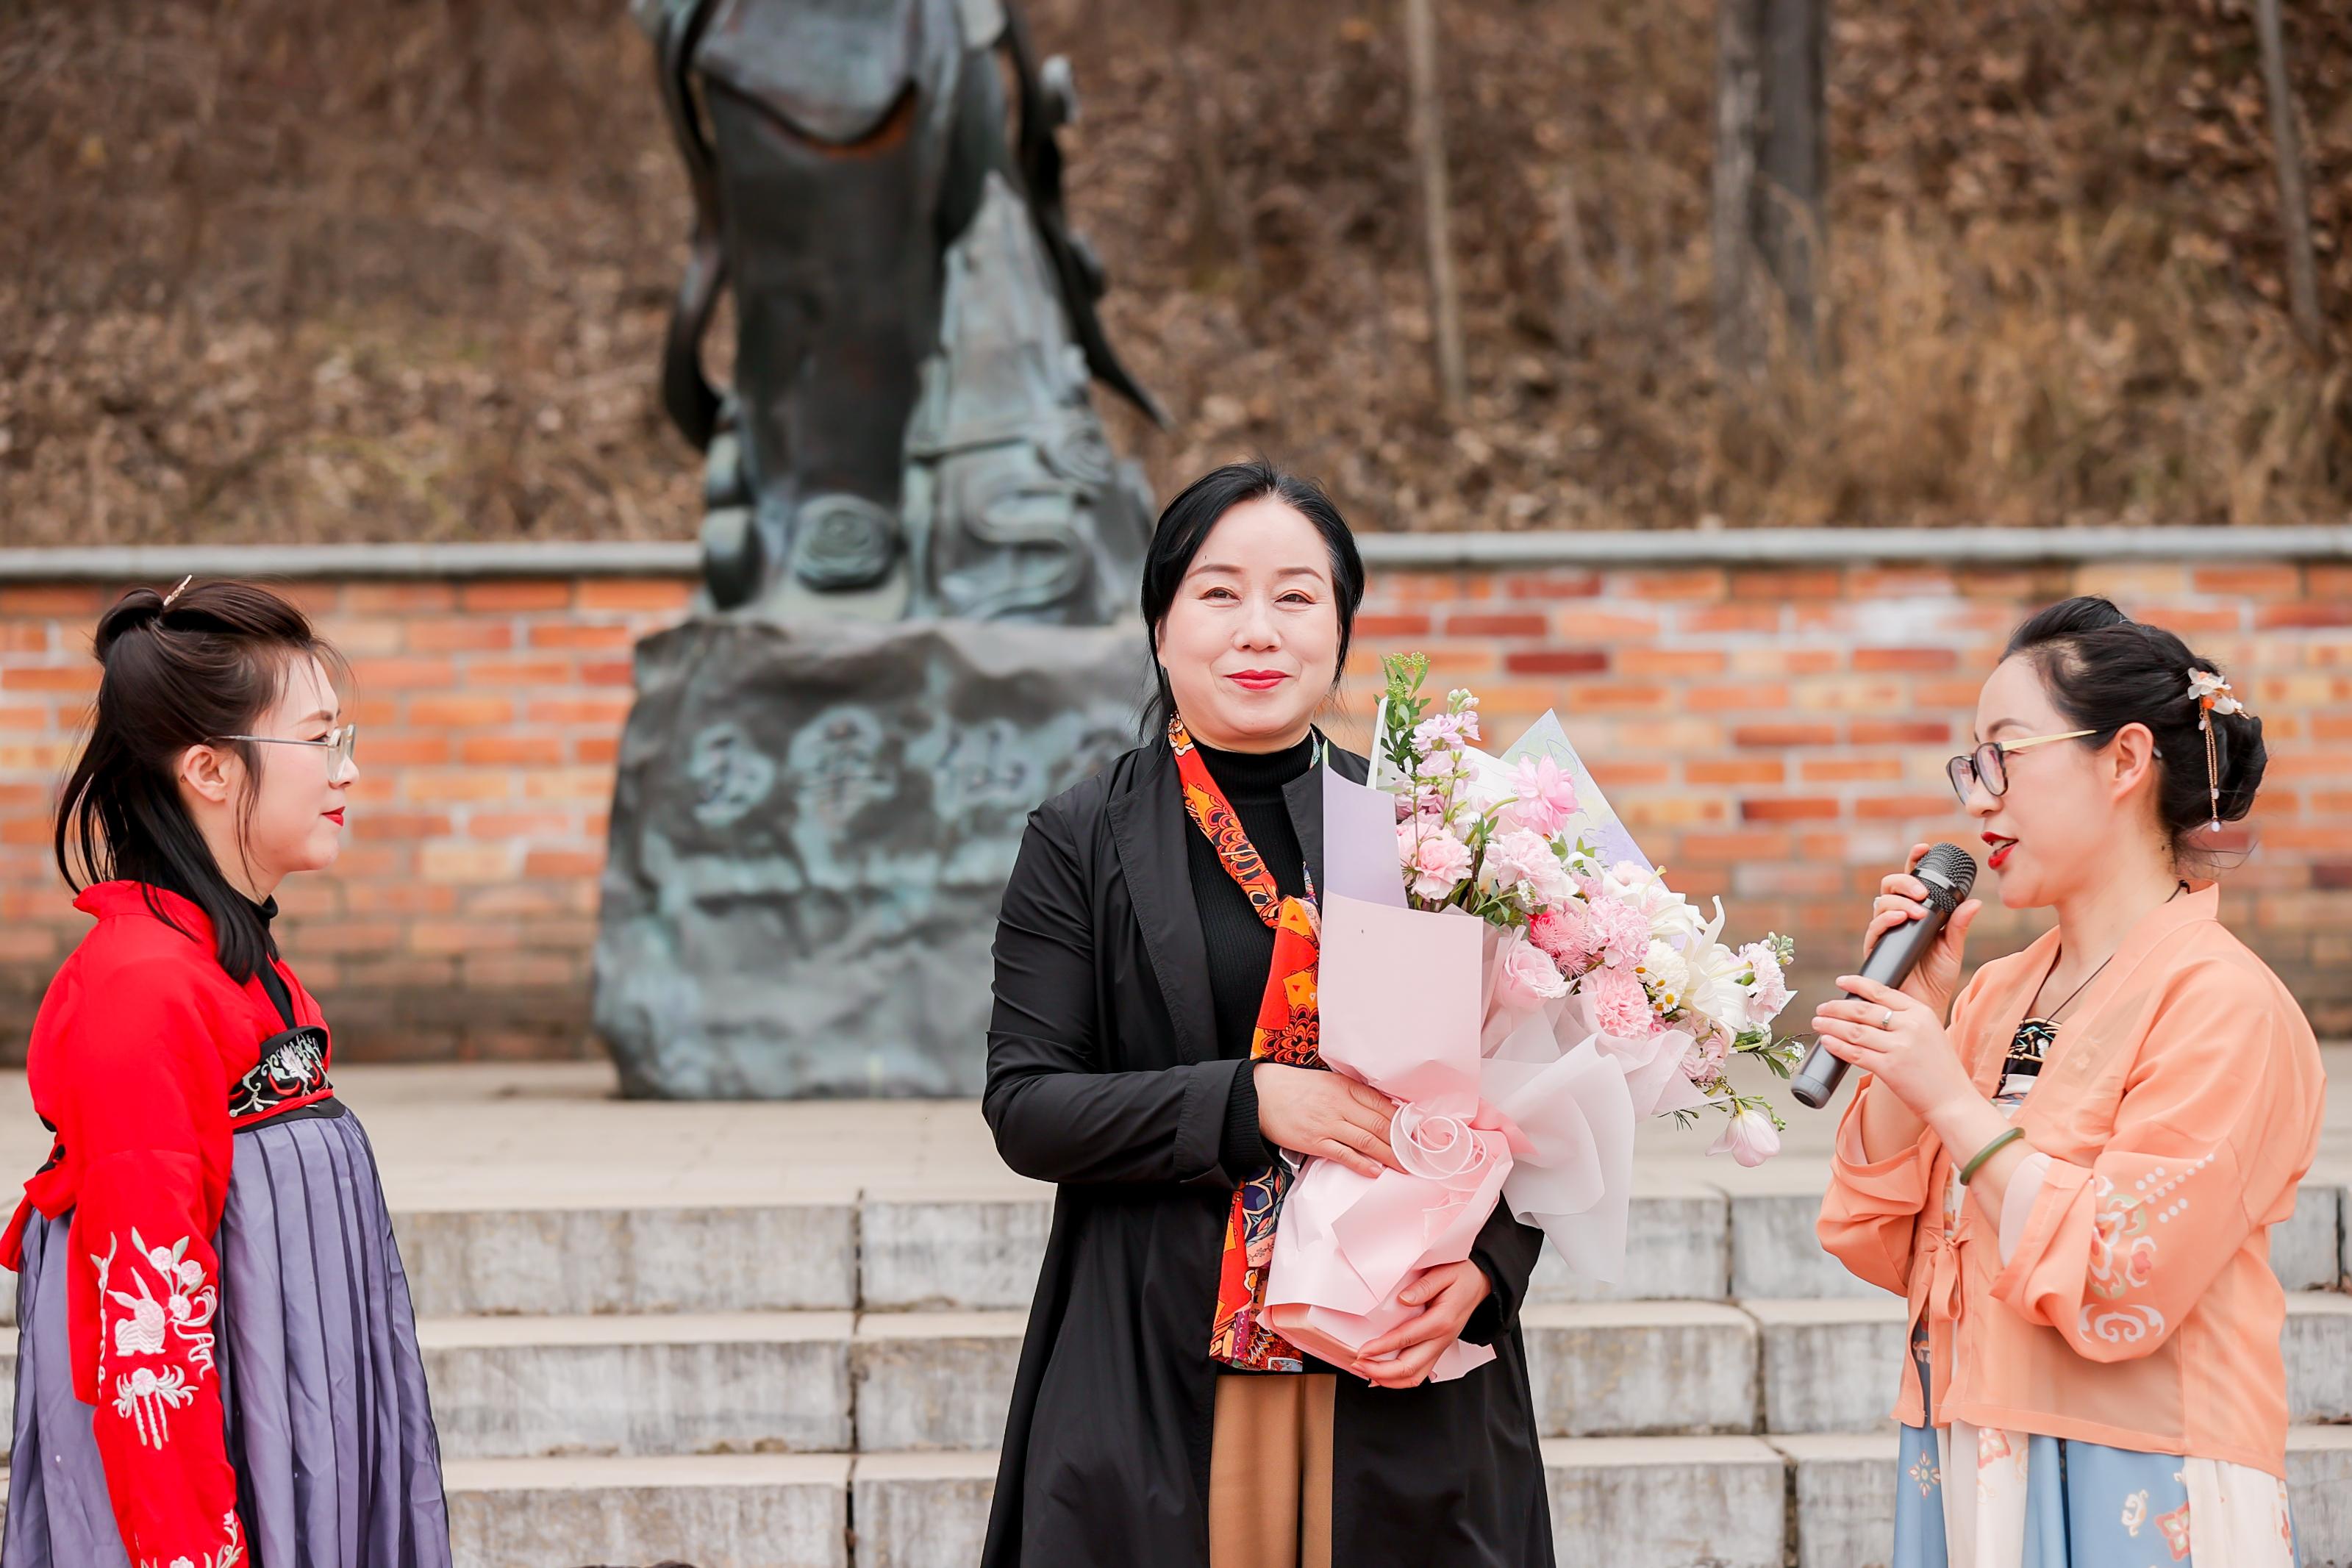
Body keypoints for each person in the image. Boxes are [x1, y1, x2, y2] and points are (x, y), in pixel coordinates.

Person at [979, 461, 1554, 1568]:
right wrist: (1248, 1101)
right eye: (1218, 592)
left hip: (1394, 1360)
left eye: (1296, 596)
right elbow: (1027, 1105)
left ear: (1339, 629)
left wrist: (1490, 1266)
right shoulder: (1082, 835)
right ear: (1160, 626)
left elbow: (1525, 1102)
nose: (1259, 629)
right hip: (1160, 1347)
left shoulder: (1428, 836)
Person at [1814, 595, 2320, 1567]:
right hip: (1967, 1449)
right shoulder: (1995, 991)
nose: (1979, 798)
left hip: (2139, 1468)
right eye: (1972, 762)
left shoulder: (2225, 1003)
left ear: (2125, 759)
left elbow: (2123, 1273)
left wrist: (1952, 1099)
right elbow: (1879, 1238)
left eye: (2005, 754)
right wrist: (1906, 1031)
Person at [3, 580, 450, 1568]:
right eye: (321, 740)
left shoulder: (236, 958)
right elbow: (147, 1330)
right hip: (213, 1482)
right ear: (209, 767)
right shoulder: (143, 985)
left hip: (296, 1447)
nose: (350, 769)